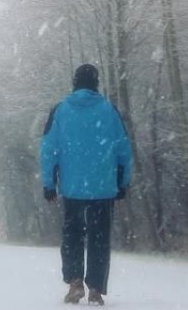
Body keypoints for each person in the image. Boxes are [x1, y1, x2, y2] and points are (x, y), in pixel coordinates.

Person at [41, 64, 133, 306]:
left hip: (72, 189)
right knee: (99, 239)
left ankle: (74, 284)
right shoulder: (109, 111)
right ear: (96, 83)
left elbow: (49, 149)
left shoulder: (60, 111)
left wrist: (49, 184)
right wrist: (123, 183)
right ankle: (95, 289)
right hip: (103, 189)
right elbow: (124, 149)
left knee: (72, 236)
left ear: (74, 82)